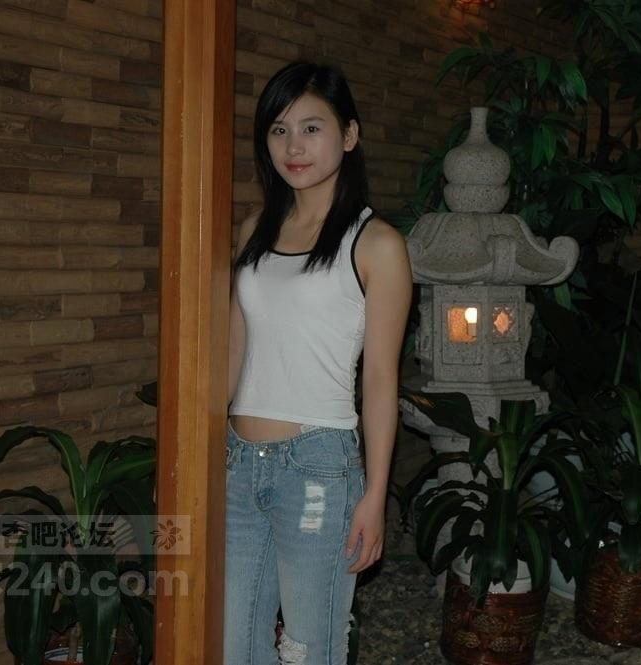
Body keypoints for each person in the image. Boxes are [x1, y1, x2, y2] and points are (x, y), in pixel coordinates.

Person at [223, 60, 413, 665]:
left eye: (311, 128)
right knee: (232, 646)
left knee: (308, 650)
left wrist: (375, 495)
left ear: (349, 135)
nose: (293, 146)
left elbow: (380, 381)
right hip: (237, 464)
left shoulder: (377, 243)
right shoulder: (254, 230)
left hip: (318, 470)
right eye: (278, 130)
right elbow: (234, 350)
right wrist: (195, 448)